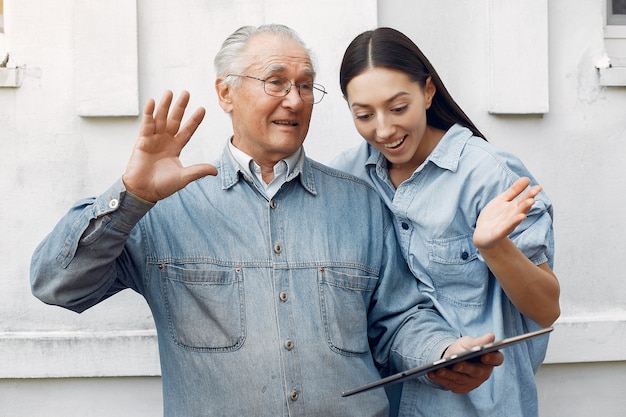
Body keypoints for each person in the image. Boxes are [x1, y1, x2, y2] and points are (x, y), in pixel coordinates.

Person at [30, 24, 503, 417]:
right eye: (275, 82)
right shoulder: (164, 206)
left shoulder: (359, 202)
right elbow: (56, 285)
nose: (294, 100)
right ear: (226, 93)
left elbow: (398, 320)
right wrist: (130, 198)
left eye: (305, 86)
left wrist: (443, 353)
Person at [330, 27, 560, 417]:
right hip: (384, 402)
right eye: (364, 115)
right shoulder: (346, 177)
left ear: (428, 92)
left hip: (479, 405)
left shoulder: (487, 173)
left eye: (398, 108)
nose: (383, 130)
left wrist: (493, 246)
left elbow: (546, 308)